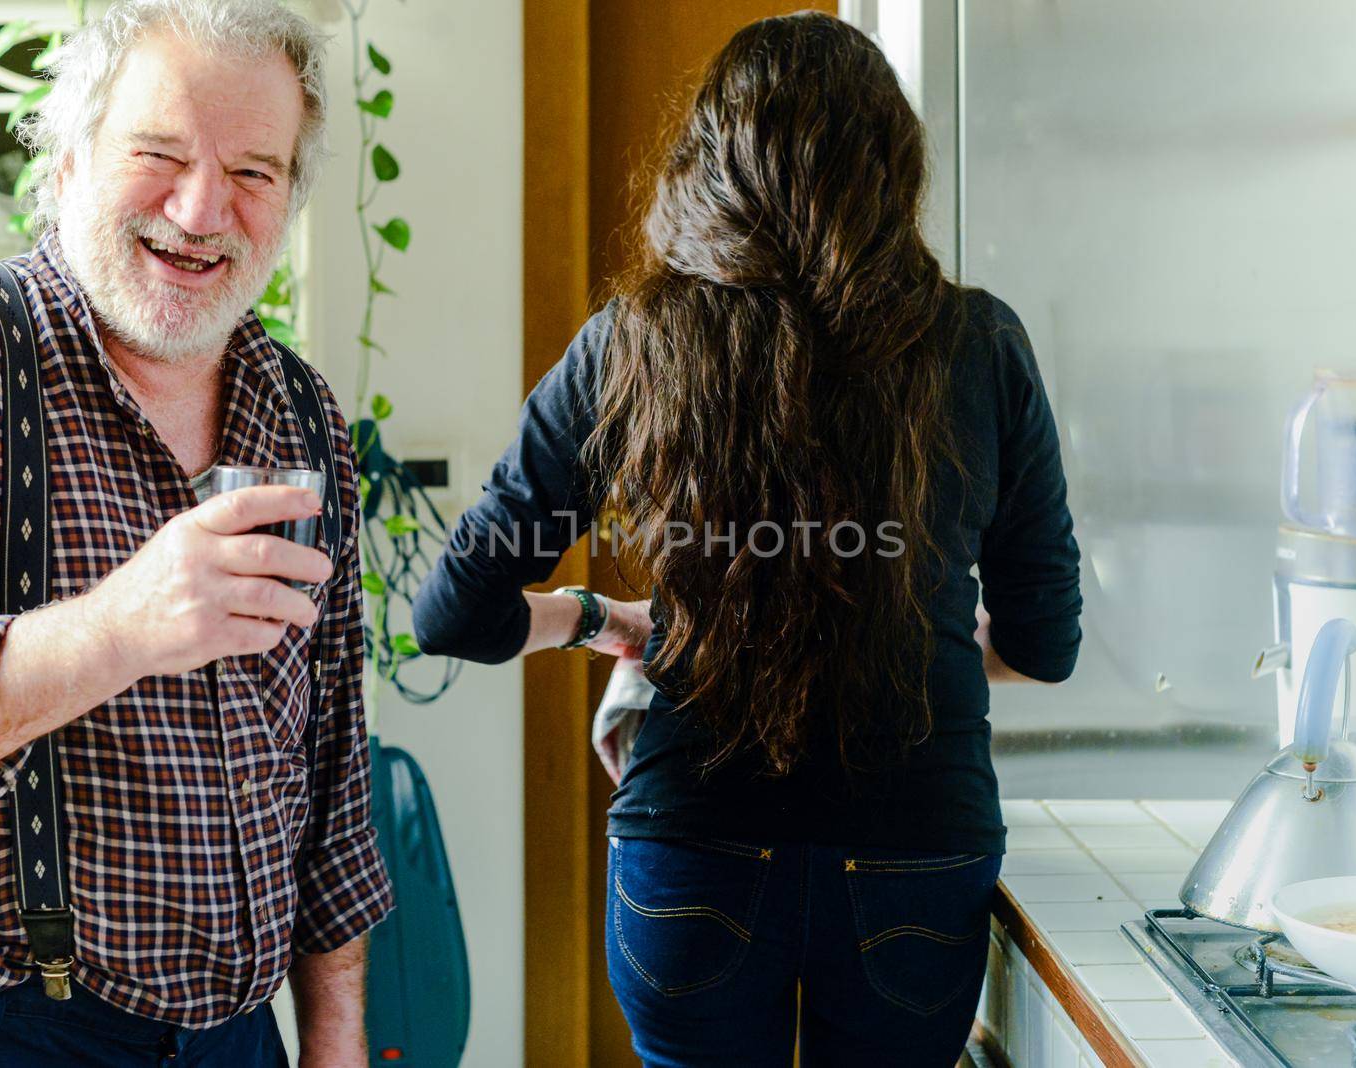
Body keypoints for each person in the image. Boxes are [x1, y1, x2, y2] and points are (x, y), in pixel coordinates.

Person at [414, 11, 1082, 1067]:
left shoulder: (629, 346)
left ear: (707, 166)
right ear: (889, 169)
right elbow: (1045, 643)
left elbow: (455, 611)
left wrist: (596, 619)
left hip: (694, 856)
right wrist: (926, 628)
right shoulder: (978, 345)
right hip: (916, 853)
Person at [0, 2, 392, 1065]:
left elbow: (334, 764)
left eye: (254, 173)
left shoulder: (302, 410)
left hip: (241, 1038)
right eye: (160, 155)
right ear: (68, 159)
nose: (202, 210)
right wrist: (121, 628)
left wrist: (335, 1039)